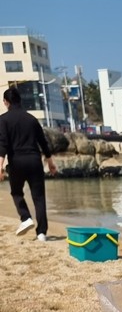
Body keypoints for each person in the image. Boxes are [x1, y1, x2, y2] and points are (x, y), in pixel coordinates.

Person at [0, 86, 58, 241]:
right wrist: (50, 163)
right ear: (19, 100)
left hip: (17, 162)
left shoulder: (3, 120)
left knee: (17, 192)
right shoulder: (32, 119)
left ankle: (25, 218)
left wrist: (0, 166)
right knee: (39, 197)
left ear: (6, 102)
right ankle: (42, 233)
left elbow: (3, 144)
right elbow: (43, 143)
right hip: (34, 161)